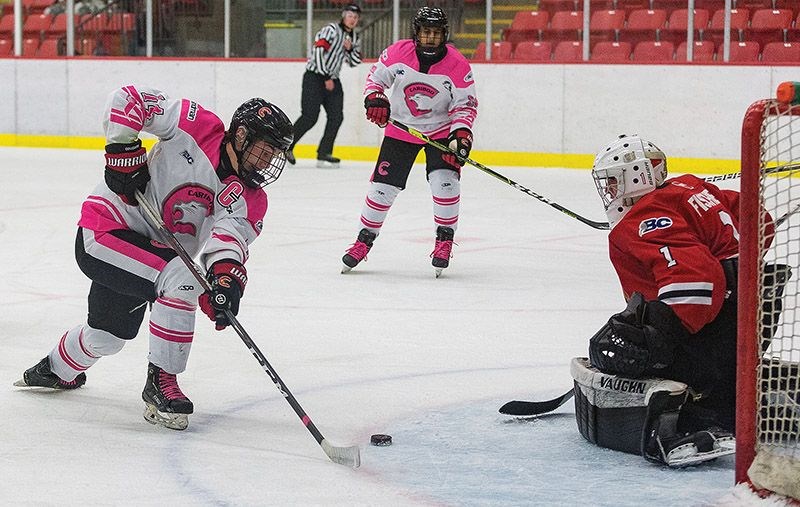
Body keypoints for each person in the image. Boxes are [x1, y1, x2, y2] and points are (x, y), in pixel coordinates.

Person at [15, 84, 293, 431]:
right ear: (241, 135)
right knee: (181, 278)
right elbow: (128, 99)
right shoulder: (197, 125)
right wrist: (123, 151)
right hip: (105, 231)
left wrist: (224, 281)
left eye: (273, 156)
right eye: (264, 151)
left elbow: (229, 242)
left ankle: (56, 369)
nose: (267, 163)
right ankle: (161, 384)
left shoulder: (251, 199)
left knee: (108, 336)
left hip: (148, 257)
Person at [573, 134, 790, 467]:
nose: (611, 190)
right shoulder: (689, 187)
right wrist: (731, 262)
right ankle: (731, 396)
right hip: (745, 332)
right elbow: (760, 221)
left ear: (637, 176)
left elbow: (698, 280)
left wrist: (657, 331)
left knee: (619, 349)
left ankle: (686, 414)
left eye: (614, 181)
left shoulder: (640, 219)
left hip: (709, 345)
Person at [341, 6, 478, 277]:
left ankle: (444, 240)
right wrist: (375, 98)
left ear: (444, 35)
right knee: (381, 188)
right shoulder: (396, 53)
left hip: (440, 132)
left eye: (436, 33)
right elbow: (375, 79)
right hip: (401, 129)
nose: (430, 38)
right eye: (426, 32)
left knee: (445, 182)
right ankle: (363, 241)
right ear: (416, 33)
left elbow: (465, 105)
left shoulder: (458, 64)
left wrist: (461, 133)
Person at [286, 3, 361, 168]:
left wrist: (349, 50)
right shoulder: (331, 30)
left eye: (355, 17)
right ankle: (286, 146)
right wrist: (325, 76)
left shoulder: (354, 37)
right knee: (310, 116)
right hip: (315, 77)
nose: (352, 20)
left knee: (336, 117)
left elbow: (355, 62)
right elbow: (318, 51)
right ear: (343, 15)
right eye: (350, 16)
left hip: (333, 80)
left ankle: (324, 152)